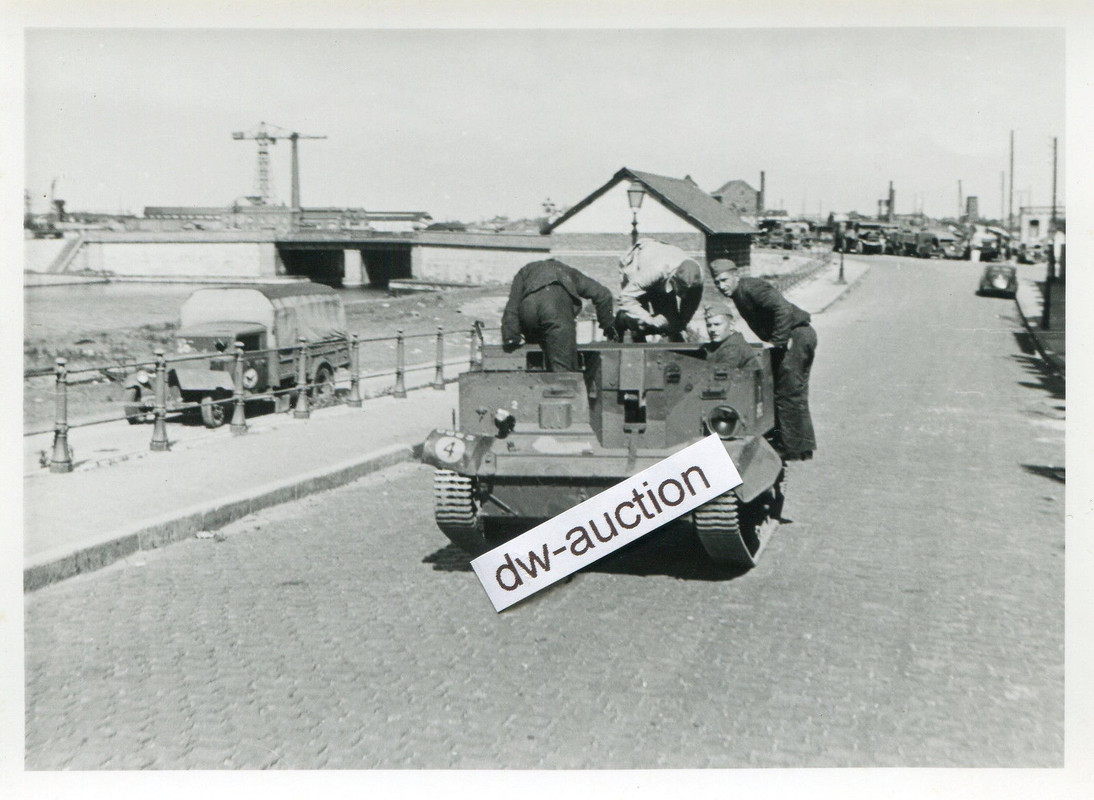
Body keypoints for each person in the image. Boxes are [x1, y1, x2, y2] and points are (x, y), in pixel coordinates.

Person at [709, 258, 816, 461]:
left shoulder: (751, 287)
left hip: (796, 335)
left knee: (788, 392)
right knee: (791, 390)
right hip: (795, 335)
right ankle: (800, 446)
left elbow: (782, 308)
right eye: (717, 283)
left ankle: (792, 448)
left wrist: (778, 341)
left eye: (724, 280)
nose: (722, 286)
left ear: (736, 276)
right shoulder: (740, 293)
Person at [501, 257, 616, 372]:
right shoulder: (567, 271)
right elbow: (603, 295)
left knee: (535, 355)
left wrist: (511, 337)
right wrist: (608, 326)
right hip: (556, 312)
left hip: (528, 313)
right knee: (563, 372)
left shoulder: (524, 271)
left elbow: (512, 307)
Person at [614, 238, 704, 342]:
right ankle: (622, 320)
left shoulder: (697, 276)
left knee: (671, 322)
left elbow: (691, 304)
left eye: (687, 293)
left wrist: (681, 324)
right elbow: (625, 297)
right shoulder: (655, 271)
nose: (683, 297)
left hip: (661, 270)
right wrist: (649, 319)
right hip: (638, 264)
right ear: (673, 280)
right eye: (681, 291)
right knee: (638, 323)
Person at [701, 305, 761, 370]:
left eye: (717, 324)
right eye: (709, 325)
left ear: (731, 325)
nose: (712, 329)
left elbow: (721, 372)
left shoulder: (734, 347)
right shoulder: (718, 344)